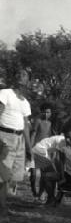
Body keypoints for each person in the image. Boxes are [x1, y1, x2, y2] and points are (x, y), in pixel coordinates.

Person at [0, 69, 32, 215]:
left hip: (20, 140)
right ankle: (2, 208)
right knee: (3, 175)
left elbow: (25, 126)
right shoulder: (5, 93)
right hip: (5, 135)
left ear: (28, 81)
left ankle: (3, 203)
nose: (20, 76)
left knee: (14, 176)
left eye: (24, 75)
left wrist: (29, 149)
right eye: (18, 73)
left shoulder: (26, 103)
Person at [32, 135, 65, 206]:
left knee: (47, 175)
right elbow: (61, 160)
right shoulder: (62, 141)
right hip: (40, 152)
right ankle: (50, 198)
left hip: (39, 151)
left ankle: (50, 198)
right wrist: (61, 175)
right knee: (47, 175)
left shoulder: (62, 140)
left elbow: (60, 160)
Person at [30, 102, 54, 199]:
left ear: (51, 113)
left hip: (44, 151)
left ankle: (40, 194)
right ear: (41, 112)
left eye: (48, 112)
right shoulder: (38, 121)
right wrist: (30, 148)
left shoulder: (50, 123)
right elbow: (33, 134)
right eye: (44, 112)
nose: (46, 114)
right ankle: (33, 191)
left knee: (44, 175)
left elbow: (49, 137)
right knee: (33, 175)